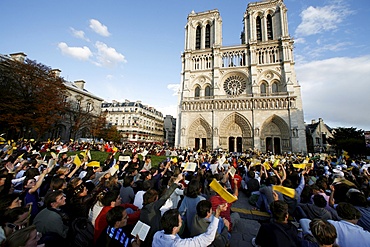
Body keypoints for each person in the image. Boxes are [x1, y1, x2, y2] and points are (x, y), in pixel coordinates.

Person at [152, 206, 222, 247]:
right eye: (180, 221)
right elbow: (207, 238)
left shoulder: (157, 235)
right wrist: (217, 215)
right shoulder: (178, 244)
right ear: (174, 228)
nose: (182, 221)